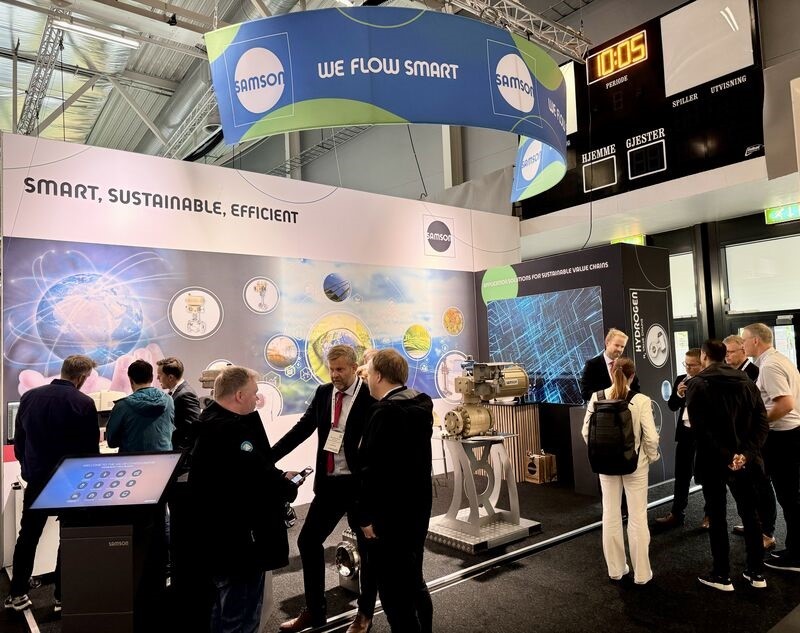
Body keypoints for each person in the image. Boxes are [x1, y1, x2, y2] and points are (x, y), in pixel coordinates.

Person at [276, 345, 377, 633]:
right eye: (331, 369)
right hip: (330, 484)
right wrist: (268, 456)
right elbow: (301, 429)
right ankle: (314, 611)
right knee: (307, 542)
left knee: (368, 549)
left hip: (359, 487)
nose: (334, 375)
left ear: (354, 367)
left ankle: (365, 613)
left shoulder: (370, 396)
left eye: (340, 369)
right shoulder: (324, 393)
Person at [190, 366, 298, 633]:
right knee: (241, 613)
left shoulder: (209, 422)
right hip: (239, 543)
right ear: (239, 395)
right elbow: (253, 481)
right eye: (254, 393)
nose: (257, 398)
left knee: (225, 610)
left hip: (222, 539)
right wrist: (286, 485)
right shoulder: (230, 431)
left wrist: (276, 476)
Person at [5, 355, 100, 613]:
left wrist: (27, 468)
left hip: (37, 479)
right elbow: (90, 452)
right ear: (81, 378)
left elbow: (19, 442)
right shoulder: (84, 403)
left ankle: (17, 593)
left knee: (28, 537)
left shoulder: (29, 397)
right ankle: (62, 597)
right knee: (67, 538)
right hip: (70, 481)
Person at [359, 348, 434, 633]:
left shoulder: (383, 413)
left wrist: (365, 516)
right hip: (417, 508)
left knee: (393, 594)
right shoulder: (421, 404)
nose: (366, 378)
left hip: (388, 516)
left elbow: (371, 470)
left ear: (378, 375)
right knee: (414, 579)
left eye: (369, 372)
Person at [686, 339, 769, 591]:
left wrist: (727, 456)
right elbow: (762, 422)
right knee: (750, 514)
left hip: (714, 461)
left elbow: (701, 430)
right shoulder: (746, 381)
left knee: (717, 515)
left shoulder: (698, 384)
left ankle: (721, 575)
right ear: (725, 355)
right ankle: (757, 572)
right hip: (745, 461)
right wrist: (745, 454)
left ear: (704, 356)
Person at [582, 357, 659, 584]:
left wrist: (603, 452)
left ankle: (615, 570)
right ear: (632, 376)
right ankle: (642, 574)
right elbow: (651, 437)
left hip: (605, 465)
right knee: (637, 517)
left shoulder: (597, 397)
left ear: (611, 372)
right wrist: (650, 456)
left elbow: (586, 432)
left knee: (610, 514)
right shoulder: (641, 400)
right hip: (636, 465)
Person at [743, 323, 800, 573]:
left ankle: (796, 556)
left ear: (756, 341)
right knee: (791, 497)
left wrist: (759, 426)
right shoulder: (779, 360)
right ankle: (794, 549)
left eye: (744, 340)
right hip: (789, 436)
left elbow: (785, 404)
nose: (742, 345)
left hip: (783, 438)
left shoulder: (770, 365)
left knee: (790, 498)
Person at [724, 334, 777, 550]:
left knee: (762, 485)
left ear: (743, 351)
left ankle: (767, 531)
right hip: (739, 441)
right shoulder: (731, 374)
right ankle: (753, 524)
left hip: (756, 441)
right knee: (745, 488)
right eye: (725, 352)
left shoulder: (756, 372)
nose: (727, 356)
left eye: (731, 352)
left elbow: (762, 410)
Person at [655, 349, 710, 529]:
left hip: (706, 435)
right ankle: (677, 513)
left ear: (702, 363)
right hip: (685, 433)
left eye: (692, 365)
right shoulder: (681, 379)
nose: (688, 368)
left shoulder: (710, 380)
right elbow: (672, 405)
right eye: (685, 364)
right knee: (682, 475)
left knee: (707, 475)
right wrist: (679, 394)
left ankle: (710, 514)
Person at [106, 359, 175, 452]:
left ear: (131, 380)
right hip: (163, 458)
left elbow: (111, 442)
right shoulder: (169, 400)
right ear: (152, 378)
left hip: (132, 459)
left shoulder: (122, 406)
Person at [580, 328, 640, 402]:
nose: (619, 349)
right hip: (602, 408)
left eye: (622, 347)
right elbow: (585, 393)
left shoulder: (626, 365)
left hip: (625, 407)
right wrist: (607, 398)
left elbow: (636, 391)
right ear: (607, 343)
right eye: (616, 345)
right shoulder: (592, 365)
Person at [156, 357, 201, 451]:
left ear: (170, 377)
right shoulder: (175, 393)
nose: (157, 378)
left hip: (182, 454)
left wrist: (180, 453)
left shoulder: (186, 394)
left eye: (159, 375)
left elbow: (194, 429)